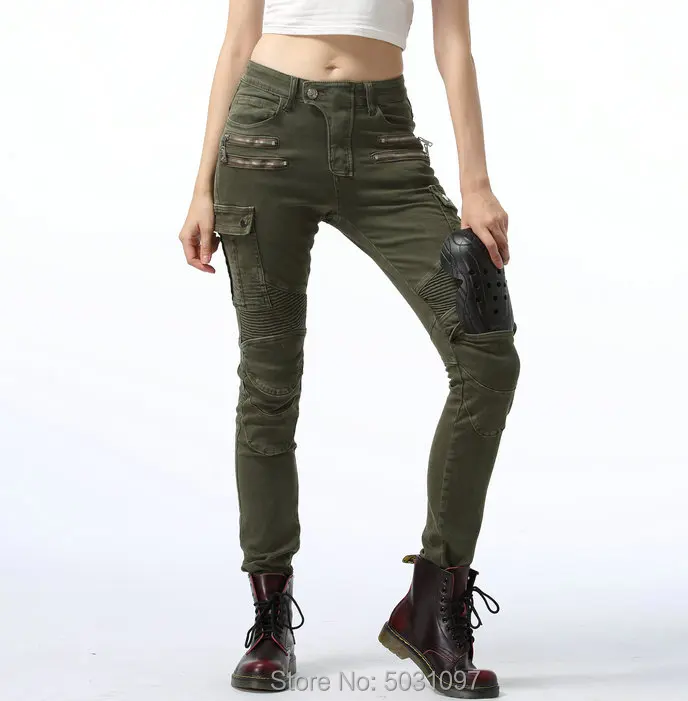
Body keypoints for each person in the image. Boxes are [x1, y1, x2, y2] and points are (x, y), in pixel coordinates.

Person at [178, 1, 520, 697]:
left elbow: (454, 43)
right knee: (269, 387)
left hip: (384, 141)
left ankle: (433, 604)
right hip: (265, 137)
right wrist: (201, 185)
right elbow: (240, 37)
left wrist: (475, 184)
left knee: (486, 355)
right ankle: (270, 619)